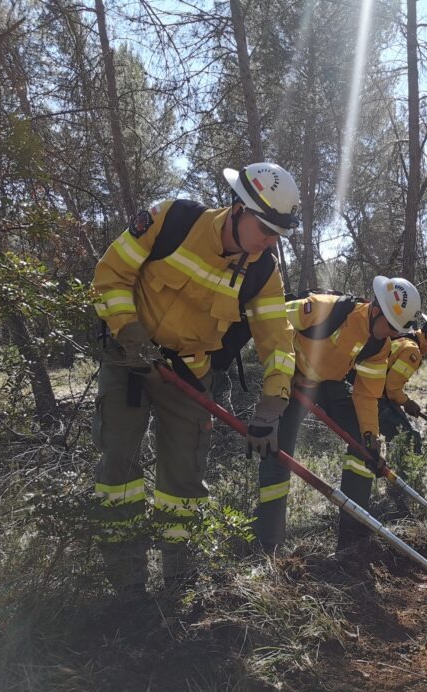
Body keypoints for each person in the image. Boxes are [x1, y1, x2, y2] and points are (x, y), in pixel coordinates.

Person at [89, 162, 299, 606]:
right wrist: (128, 332)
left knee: (182, 485)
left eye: (278, 233)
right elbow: (110, 274)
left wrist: (271, 406)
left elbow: (277, 341)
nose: (270, 240)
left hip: (189, 374)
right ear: (239, 210)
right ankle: (126, 587)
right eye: (265, 228)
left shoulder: (264, 271)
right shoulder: (171, 220)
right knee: (118, 472)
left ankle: (178, 586)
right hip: (128, 361)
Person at [253, 276, 423, 554]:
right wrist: (283, 370)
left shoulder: (380, 345)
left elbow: (367, 393)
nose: (393, 335)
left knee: (362, 448)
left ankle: (353, 537)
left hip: (327, 384)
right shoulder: (326, 308)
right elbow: (272, 318)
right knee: (277, 453)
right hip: (292, 377)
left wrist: (370, 434)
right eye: (391, 326)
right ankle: (268, 543)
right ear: (376, 309)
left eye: (398, 330)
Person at [378, 312, 427, 454]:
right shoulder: (412, 351)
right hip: (375, 397)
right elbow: (392, 389)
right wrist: (407, 403)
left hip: (371, 390)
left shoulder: (405, 337)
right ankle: (404, 475)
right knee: (409, 436)